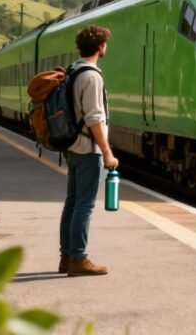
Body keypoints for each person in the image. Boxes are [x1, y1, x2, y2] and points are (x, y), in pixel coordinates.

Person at [59, 25, 119, 276]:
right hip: (87, 148)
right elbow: (94, 118)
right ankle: (79, 259)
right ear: (101, 47)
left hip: (72, 146)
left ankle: (66, 257)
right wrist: (107, 152)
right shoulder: (92, 76)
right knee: (84, 205)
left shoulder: (73, 69)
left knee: (72, 203)